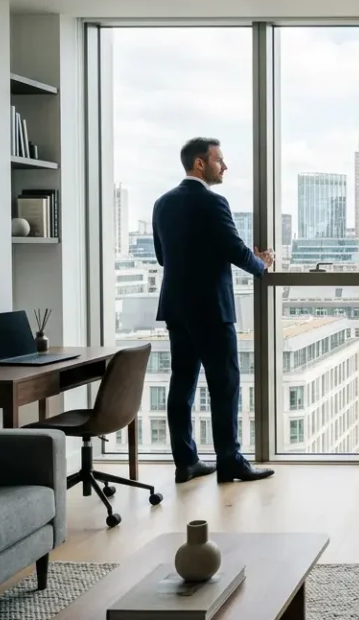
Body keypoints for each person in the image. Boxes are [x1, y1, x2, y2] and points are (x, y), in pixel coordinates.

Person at [153, 137, 275, 484]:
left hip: (177, 309)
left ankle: (186, 462)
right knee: (225, 386)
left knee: (182, 386)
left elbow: (164, 257)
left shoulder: (162, 204)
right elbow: (235, 249)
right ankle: (230, 462)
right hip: (211, 310)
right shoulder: (213, 202)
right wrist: (262, 264)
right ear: (200, 164)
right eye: (219, 160)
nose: (225, 166)